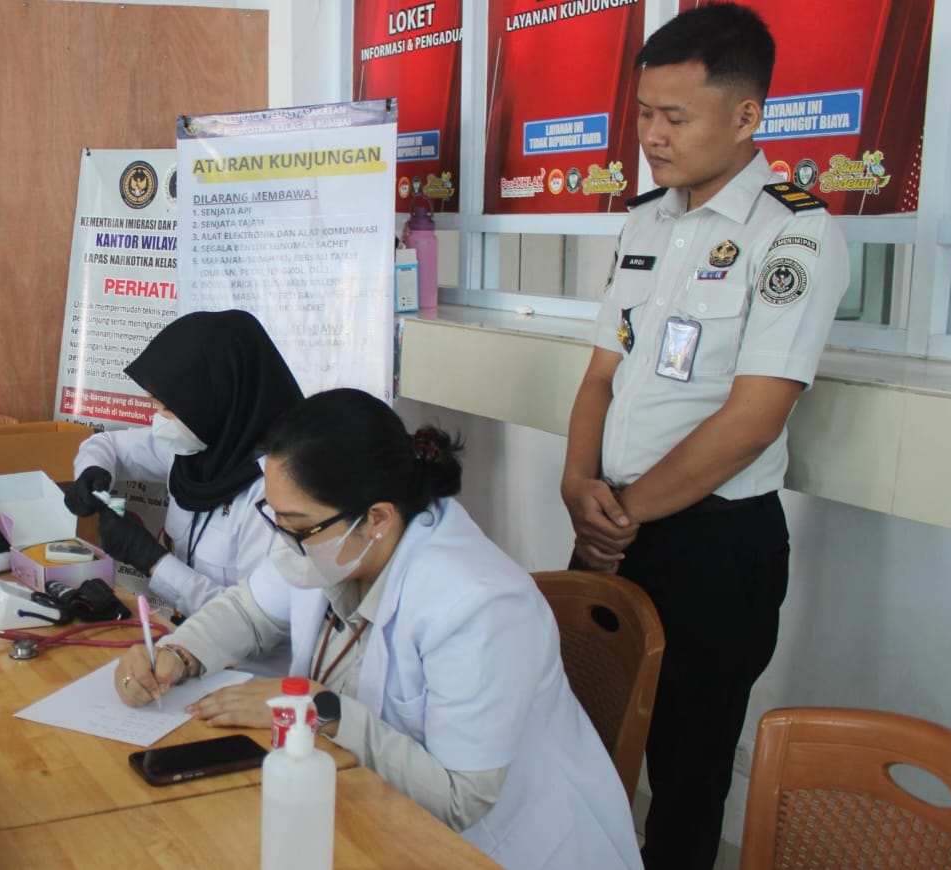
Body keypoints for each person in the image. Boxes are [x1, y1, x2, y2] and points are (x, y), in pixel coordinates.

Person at [115, 389, 641, 869]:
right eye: (278, 520)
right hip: (363, 810)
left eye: (298, 527)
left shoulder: (477, 605)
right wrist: (177, 654)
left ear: (378, 518)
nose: (285, 542)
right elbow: (250, 611)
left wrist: (321, 711)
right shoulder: (332, 543)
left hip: (497, 850)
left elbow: (460, 800)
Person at [559, 6, 848, 868]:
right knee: (577, 743)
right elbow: (601, 375)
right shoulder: (645, 222)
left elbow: (754, 417)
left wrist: (622, 514)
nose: (652, 135)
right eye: (645, 112)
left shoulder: (794, 234)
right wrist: (577, 483)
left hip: (713, 546)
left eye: (676, 117)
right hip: (608, 526)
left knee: (686, 779)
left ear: (747, 115)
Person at [64, 309, 302, 616]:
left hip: (234, 646)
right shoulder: (200, 445)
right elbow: (108, 446)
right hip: (184, 634)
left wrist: (153, 561)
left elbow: (252, 620)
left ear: (217, 401)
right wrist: (92, 472)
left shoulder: (278, 494)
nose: (158, 420)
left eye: (169, 409)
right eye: (155, 404)